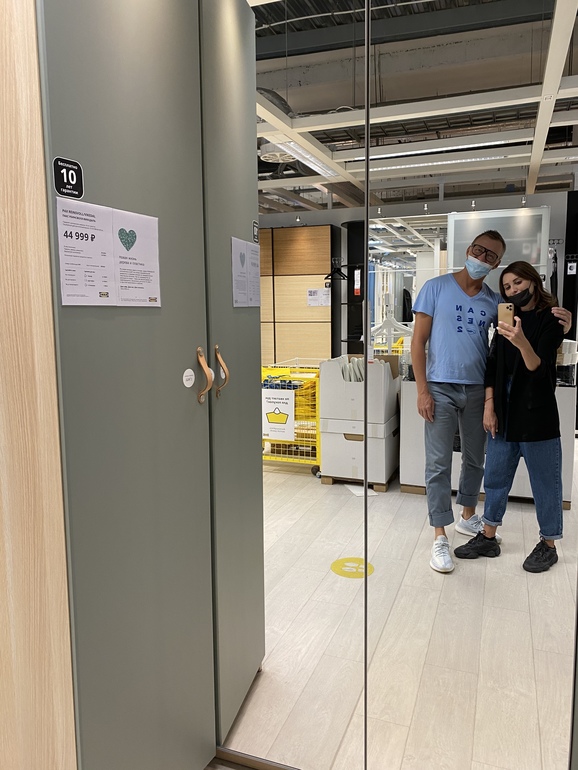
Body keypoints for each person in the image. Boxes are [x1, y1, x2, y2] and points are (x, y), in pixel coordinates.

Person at [411, 232, 570, 574]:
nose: (483, 258)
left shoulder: (509, 307)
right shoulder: (440, 289)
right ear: (469, 249)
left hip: (506, 400)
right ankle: (452, 535)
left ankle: (484, 521)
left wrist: (565, 324)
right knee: (452, 466)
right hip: (459, 392)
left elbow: (534, 351)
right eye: (479, 251)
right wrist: (424, 390)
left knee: (485, 463)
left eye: (492, 256)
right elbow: (422, 343)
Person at [454, 262, 564, 572]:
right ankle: (488, 536)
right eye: (507, 287)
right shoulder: (506, 317)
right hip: (504, 409)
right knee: (496, 476)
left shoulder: (551, 318)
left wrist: (521, 341)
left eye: (518, 282)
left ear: (533, 281)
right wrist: (489, 406)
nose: (513, 290)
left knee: (545, 482)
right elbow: (493, 365)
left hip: (537, 412)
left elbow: (540, 370)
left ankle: (548, 544)